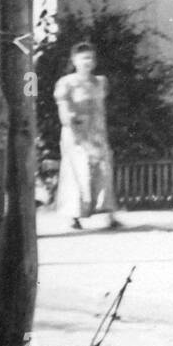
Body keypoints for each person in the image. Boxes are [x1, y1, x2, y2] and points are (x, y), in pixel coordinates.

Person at [53, 41, 119, 230]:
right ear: (74, 61)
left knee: (104, 171)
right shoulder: (66, 83)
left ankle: (109, 214)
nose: (87, 62)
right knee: (77, 172)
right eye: (83, 58)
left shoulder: (100, 82)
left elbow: (101, 110)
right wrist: (74, 129)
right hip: (76, 135)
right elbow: (64, 112)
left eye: (90, 58)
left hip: (98, 134)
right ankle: (73, 216)